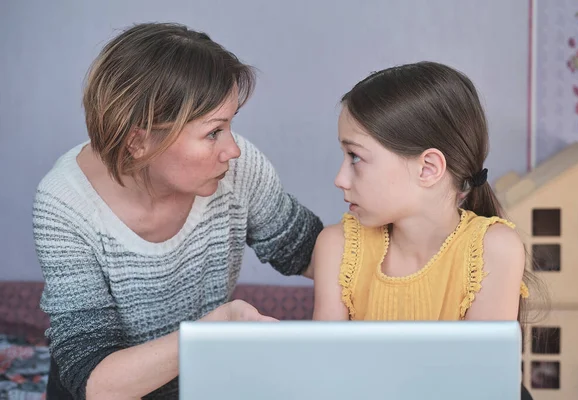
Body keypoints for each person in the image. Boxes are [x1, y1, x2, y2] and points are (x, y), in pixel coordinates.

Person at [33, 22, 323, 399]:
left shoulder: (238, 168)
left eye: (230, 126)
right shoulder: (65, 203)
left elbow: (309, 250)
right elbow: (98, 384)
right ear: (138, 141)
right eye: (213, 132)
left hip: (201, 382)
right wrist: (211, 331)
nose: (232, 149)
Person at [311, 62, 536, 397]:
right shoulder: (337, 246)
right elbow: (324, 380)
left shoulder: (494, 249)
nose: (340, 178)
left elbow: (480, 388)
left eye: (355, 157)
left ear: (428, 169)